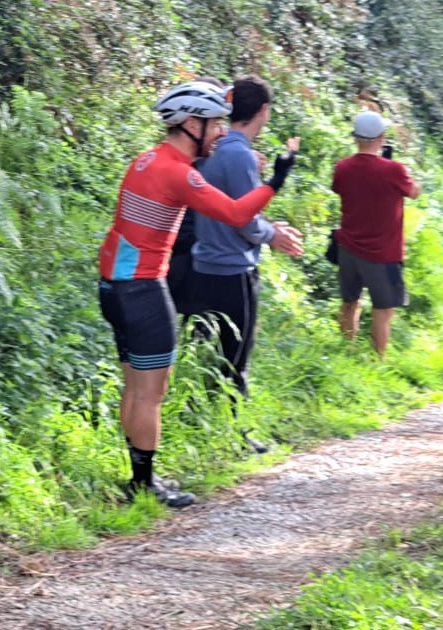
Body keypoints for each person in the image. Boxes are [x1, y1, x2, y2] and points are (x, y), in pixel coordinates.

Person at [98, 81, 295, 508]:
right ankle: (143, 485)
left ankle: (139, 476)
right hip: (143, 288)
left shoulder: (146, 160)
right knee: (151, 392)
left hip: (114, 285)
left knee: (134, 387)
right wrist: (277, 178)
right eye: (215, 125)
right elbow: (238, 212)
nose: (222, 133)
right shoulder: (178, 171)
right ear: (191, 124)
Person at [172, 75, 304, 454]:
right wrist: (271, 234)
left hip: (202, 267)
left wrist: (265, 226)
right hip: (233, 271)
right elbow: (244, 219)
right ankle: (234, 436)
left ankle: (197, 423)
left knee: (201, 350)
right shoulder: (239, 154)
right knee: (235, 357)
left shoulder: (211, 152)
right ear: (263, 111)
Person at [330, 110, 421, 357]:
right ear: (382, 137)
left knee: (349, 302)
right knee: (384, 311)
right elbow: (414, 192)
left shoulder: (342, 168)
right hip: (383, 254)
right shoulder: (394, 171)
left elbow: (340, 188)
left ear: (355, 138)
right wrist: (398, 169)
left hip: (348, 248)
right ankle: (378, 361)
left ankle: (348, 350)